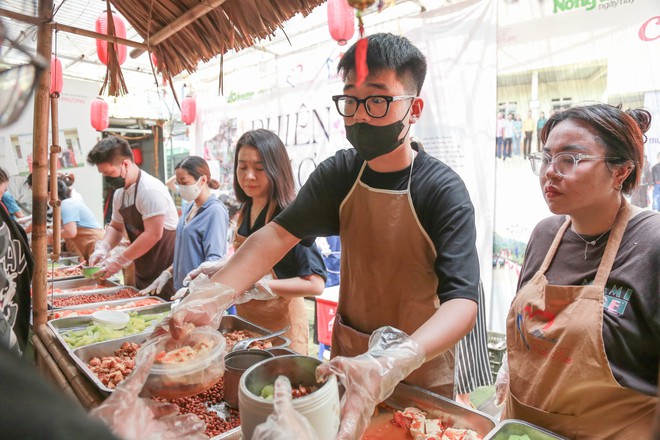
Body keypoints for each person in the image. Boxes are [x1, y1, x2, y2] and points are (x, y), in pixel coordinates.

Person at [169, 33, 479, 439]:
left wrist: (394, 361)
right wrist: (213, 296)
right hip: (351, 356)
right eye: (351, 100)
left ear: (414, 108)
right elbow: (275, 237)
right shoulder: (341, 174)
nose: (360, 115)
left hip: (418, 363)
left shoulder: (442, 189)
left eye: (377, 100)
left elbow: (462, 303)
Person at [502, 104, 659, 438]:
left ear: (621, 172)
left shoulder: (651, 243)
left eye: (570, 160)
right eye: (546, 158)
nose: (550, 172)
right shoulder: (544, 234)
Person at [185, 129, 327, 354]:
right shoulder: (245, 209)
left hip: (283, 333)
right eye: (242, 167)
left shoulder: (290, 213)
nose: (249, 176)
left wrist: (261, 286)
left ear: (276, 169)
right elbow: (252, 261)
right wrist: (220, 268)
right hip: (247, 329)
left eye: (259, 168)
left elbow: (315, 284)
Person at [86, 135, 178, 299]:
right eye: (103, 174)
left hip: (166, 269)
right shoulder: (120, 193)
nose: (107, 178)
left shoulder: (149, 190)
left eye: (109, 173)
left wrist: (118, 261)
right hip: (143, 267)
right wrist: (104, 247)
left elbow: (153, 234)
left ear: (126, 164)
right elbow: (116, 227)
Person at [141, 156, 229, 296]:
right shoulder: (189, 208)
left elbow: (214, 260)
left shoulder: (214, 211)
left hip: (201, 293)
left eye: (184, 182)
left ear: (203, 180)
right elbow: (186, 253)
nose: (180, 187)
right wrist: (168, 273)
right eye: (178, 182)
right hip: (183, 290)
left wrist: (193, 288)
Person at [46, 176, 104, 262]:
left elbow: (70, 232)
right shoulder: (63, 206)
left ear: (50, 194)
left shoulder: (66, 204)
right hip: (89, 245)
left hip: (94, 243)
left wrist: (51, 234)